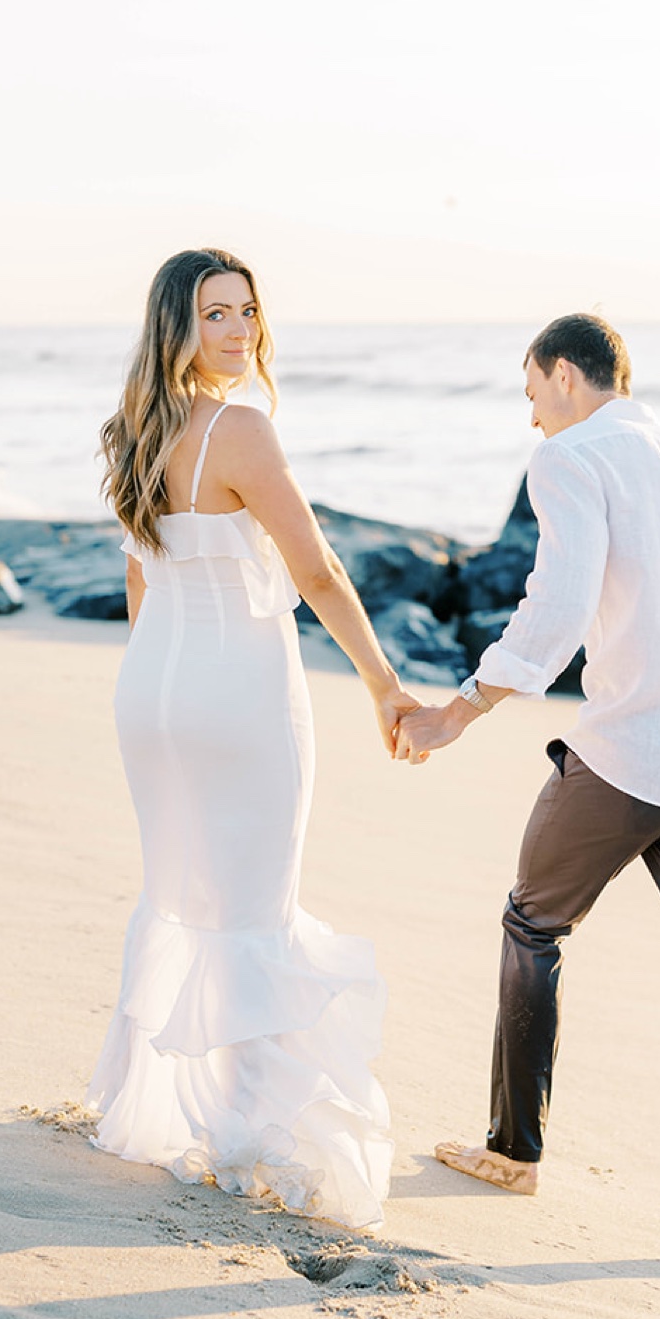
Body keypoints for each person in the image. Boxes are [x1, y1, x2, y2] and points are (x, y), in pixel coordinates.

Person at [395, 313, 660, 1278]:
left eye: (530, 389)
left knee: (533, 925)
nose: (531, 413)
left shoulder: (572, 459)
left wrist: (456, 713)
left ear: (562, 374)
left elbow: (558, 605)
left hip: (627, 761)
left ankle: (513, 1152)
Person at [90, 247, 418, 1227]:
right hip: (238, 691)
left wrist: (159, 682)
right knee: (252, 904)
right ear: (176, 330)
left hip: (152, 692)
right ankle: (247, 1126)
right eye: (215, 315)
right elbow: (316, 574)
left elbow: (141, 579)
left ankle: (160, 1106)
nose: (238, 332)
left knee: (181, 894)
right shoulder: (242, 430)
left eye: (245, 313)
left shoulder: (132, 434)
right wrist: (385, 686)